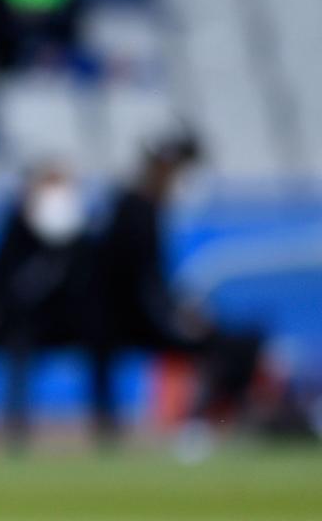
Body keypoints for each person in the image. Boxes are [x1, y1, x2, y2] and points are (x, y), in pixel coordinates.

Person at [90, 133, 265, 445]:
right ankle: (199, 424)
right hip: (125, 319)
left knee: (242, 339)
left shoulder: (144, 208)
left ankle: (207, 420)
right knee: (225, 342)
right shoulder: (133, 209)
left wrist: (178, 309)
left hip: (139, 316)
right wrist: (175, 317)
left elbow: (152, 279)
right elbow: (139, 281)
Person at [0, 162, 101, 446]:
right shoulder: (17, 226)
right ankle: (16, 429)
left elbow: (90, 282)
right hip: (27, 322)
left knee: (102, 342)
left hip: (70, 319)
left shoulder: (82, 229)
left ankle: (103, 424)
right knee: (19, 351)